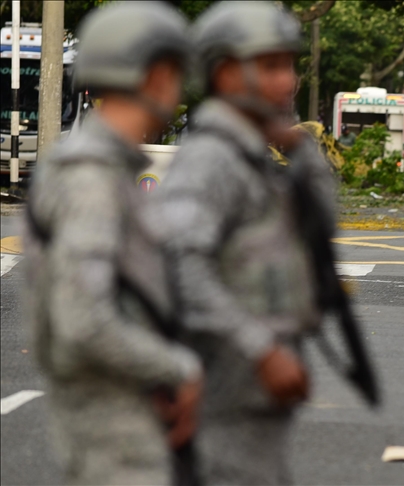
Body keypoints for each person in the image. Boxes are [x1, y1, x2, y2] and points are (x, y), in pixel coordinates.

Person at [24, 3, 203, 484]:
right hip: (114, 421)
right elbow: (83, 320)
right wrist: (178, 367)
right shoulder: (92, 179)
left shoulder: (101, 168)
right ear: (156, 77)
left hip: (123, 405)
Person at [154, 2, 316, 484]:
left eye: (289, 65)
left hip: (251, 394)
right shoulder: (211, 160)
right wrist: (262, 349)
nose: (287, 82)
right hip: (220, 390)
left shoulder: (252, 154)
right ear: (224, 73)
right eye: (269, 67)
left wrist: (299, 150)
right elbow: (184, 266)